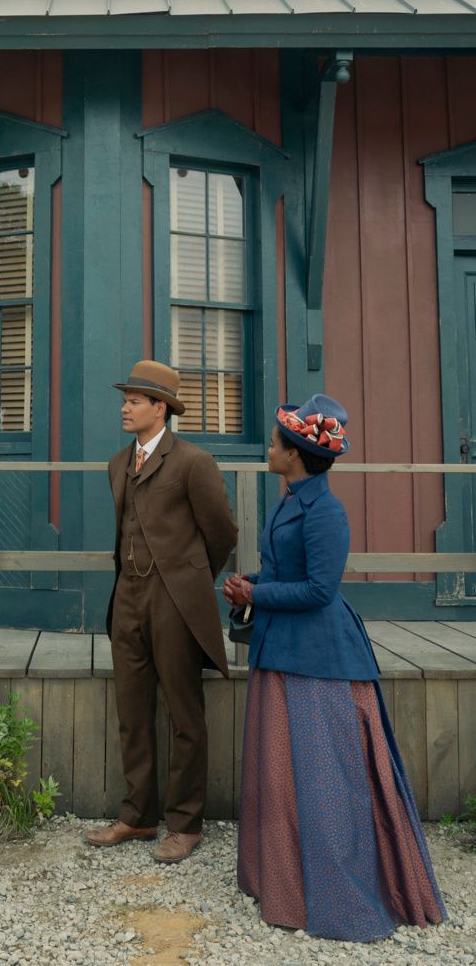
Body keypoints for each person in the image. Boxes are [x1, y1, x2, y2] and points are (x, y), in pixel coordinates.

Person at [222, 394, 446, 942]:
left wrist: (260, 591)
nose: (269, 448)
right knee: (280, 774)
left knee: (325, 778)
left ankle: (338, 894)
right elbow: (285, 568)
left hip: (319, 658)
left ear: (295, 455)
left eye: (276, 443)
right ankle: (284, 879)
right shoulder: (292, 498)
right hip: (282, 649)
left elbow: (321, 590)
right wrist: (250, 584)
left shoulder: (326, 511)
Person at [86, 360, 238, 863]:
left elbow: (221, 533)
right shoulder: (116, 463)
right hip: (126, 597)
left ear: (160, 408)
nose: (124, 407)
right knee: (132, 712)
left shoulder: (194, 462)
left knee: (184, 714)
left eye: (134, 400)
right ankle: (137, 816)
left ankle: (186, 823)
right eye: (124, 399)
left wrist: (188, 577)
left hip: (175, 602)